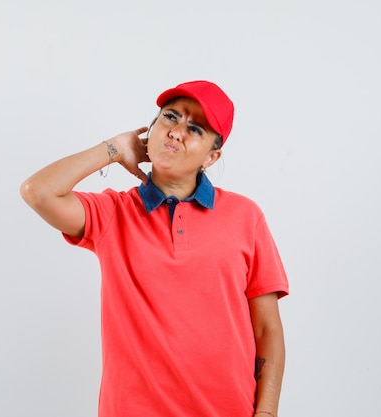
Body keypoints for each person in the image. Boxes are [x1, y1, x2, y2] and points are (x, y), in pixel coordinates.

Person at [20, 80, 289, 417]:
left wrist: (265, 413)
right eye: (170, 117)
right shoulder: (113, 214)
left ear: (212, 155)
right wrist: (115, 148)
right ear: (153, 128)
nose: (177, 132)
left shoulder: (245, 217)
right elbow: (38, 191)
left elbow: (267, 330)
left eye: (195, 128)